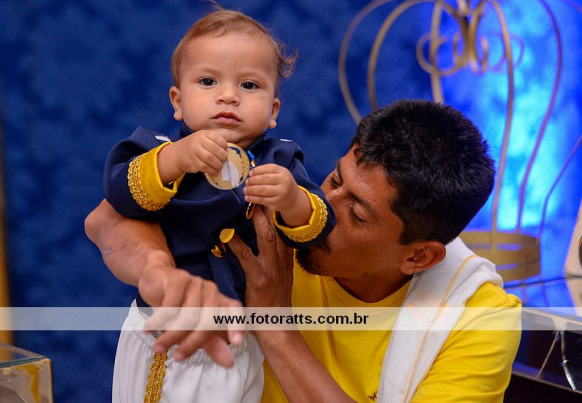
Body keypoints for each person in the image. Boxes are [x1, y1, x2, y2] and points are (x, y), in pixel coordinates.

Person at [86, 99, 522, 403]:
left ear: (418, 257)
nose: (326, 208)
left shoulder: (478, 319)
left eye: (357, 214)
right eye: (335, 179)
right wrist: (161, 272)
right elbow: (105, 219)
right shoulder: (289, 212)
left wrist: (274, 325)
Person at [100, 6, 334, 402]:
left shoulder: (280, 160)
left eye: (249, 85)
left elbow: (320, 228)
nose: (228, 95)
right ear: (177, 101)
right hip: (166, 334)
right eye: (208, 81)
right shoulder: (159, 150)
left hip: (241, 340)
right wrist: (174, 160)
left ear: (273, 110)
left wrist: (293, 200)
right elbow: (119, 194)